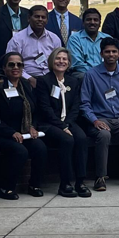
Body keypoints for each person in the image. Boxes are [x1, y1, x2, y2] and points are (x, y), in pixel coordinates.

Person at [80, 38, 119, 189]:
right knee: (104, 135)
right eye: (107, 52)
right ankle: (100, 177)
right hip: (100, 119)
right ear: (101, 53)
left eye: (114, 51)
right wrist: (95, 121)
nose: (111, 54)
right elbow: (85, 104)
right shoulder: (91, 75)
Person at [0, 51, 48, 199]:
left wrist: (32, 126)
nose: (15, 67)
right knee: (20, 151)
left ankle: (34, 185)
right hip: (2, 134)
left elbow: (35, 110)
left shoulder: (25, 85)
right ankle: (7, 187)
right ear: (4, 68)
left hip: (24, 132)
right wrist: (11, 132)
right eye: (11, 65)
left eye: (19, 64)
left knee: (40, 148)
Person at [35, 46, 89, 197]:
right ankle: (65, 183)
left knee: (82, 138)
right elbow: (45, 109)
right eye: (58, 58)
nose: (61, 61)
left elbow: (76, 106)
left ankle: (80, 181)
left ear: (69, 63)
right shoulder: (44, 81)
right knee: (67, 140)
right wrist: (62, 126)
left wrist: (67, 124)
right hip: (49, 124)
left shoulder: (73, 81)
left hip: (68, 122)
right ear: (52, 61)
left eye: (64, 59)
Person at [6, 4, 62, 81]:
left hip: (50, 78)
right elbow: (11, 65)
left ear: (47, 20)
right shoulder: (17, 39)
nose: (40, 19)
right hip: (25, 78)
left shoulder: (54, 39)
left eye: (43, 17)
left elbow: (58, 62)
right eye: (37, 17)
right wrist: (29, 78)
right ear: (29, 18)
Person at [67, 8, 110, 73]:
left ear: (100, 23)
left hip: (106, 74)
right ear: (83, 23)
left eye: (95, 20)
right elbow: (77, 64)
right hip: (82, 74)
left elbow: (113, 60)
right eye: (88, 20)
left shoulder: (108, 38)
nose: (92, 22)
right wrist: (98, 74)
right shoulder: (75, 38)